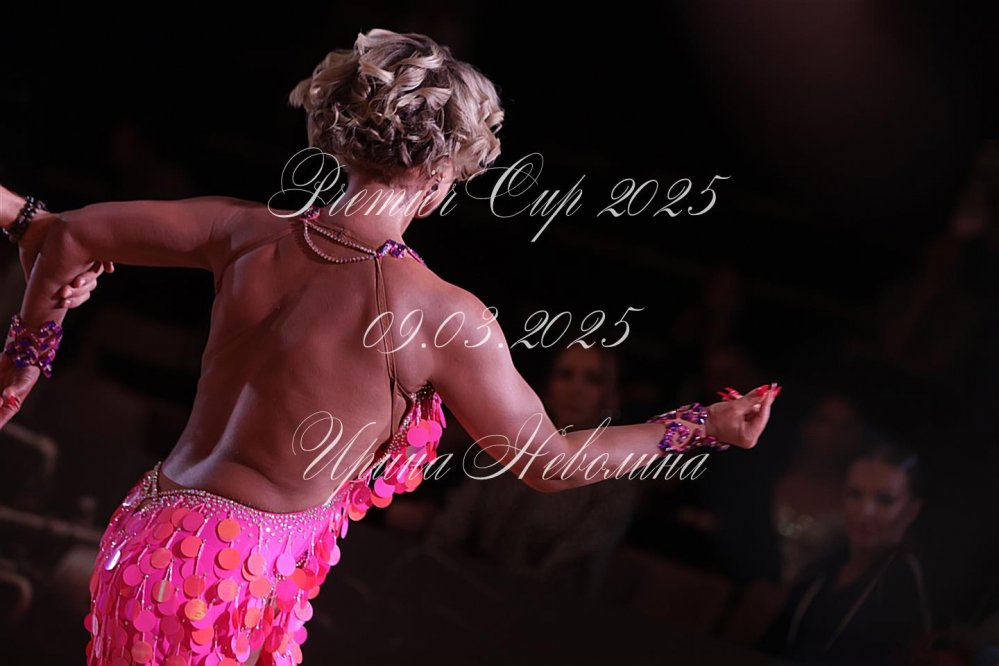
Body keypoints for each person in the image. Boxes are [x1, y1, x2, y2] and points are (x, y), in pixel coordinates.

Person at [0, 28, 781, 666]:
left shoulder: (244, 232)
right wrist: (699, 426)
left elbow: (69, 235)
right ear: (441, 176)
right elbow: (548, 462)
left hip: (151, 536)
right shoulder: (441, 315)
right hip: (224, 581)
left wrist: (20, 371)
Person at [425, 345, 643, 601]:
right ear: (549, 388)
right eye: (565, 375)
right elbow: (449, 530)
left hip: (546, 610)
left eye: (593, 379)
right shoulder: (509, 447)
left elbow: (570, 573)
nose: (575, 389)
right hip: (465, 593)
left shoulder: (614, 482)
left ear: (611, 397)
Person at [758, 441, 933, 665]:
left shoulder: (906, 581)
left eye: (884, 500)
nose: (865, 512)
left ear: (910, 511)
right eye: (855, 494)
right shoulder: (821, 569)